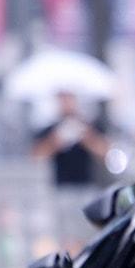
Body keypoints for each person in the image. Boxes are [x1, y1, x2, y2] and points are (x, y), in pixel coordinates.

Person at [33, 91, 110, 250]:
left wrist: (85, 136)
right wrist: (57, 139)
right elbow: (36, 155)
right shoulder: (51, 128)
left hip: (87, 188)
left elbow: (105, 152)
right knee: (64, 236)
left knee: (87, 234)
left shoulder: (89, 126)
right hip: (61, 189)